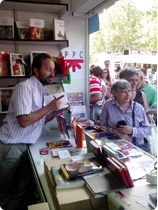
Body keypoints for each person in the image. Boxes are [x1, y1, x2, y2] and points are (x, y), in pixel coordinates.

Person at [0, 53, 70, 210]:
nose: (52, 73)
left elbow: (39, 120)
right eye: (48, 69)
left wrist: (57, 111)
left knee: (22, 191)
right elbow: (24, 121)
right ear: (36, 70)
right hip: (11, 146)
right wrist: (49, 107)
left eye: (53, 70)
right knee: (6, 193)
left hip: (26, 146)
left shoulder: (42, 90)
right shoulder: (25, 88)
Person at [100, 80, 151, 153]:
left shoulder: (138, 108)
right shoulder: (108, 105)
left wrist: (132, 130)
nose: (128, 95)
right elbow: (102, 127)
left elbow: (148, 130)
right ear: (115, 93)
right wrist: (114, 131)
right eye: (123, 92)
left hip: (137, 148)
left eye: (129, 91)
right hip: (114, 147)